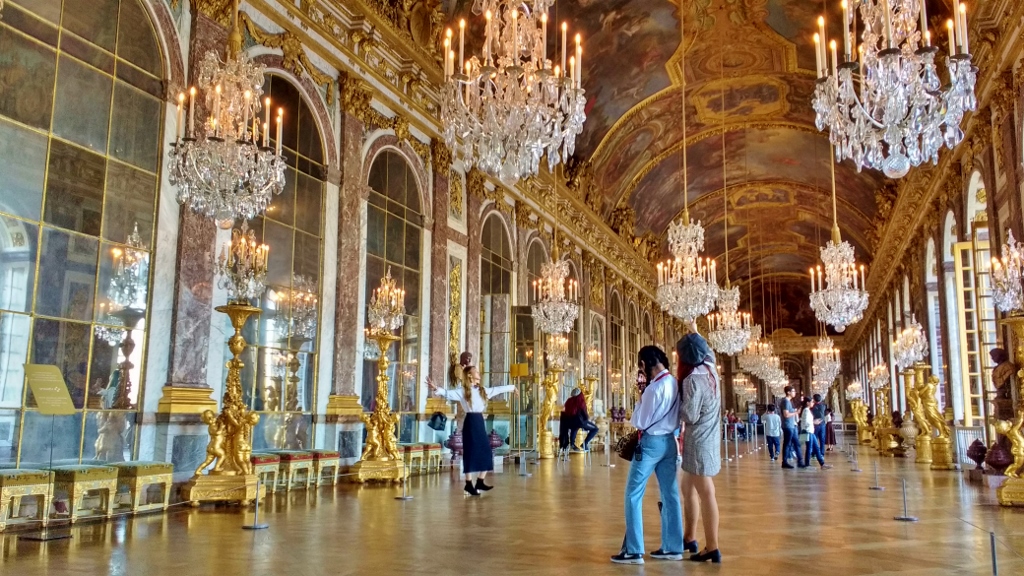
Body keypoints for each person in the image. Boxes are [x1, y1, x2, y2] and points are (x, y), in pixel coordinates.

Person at [610, 346, 683, 565]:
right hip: (670, 442)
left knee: (633, 493)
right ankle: (673, 547)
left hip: (651, 444)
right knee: (670, 494)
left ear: (643, 365)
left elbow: (639, 422)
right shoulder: (674, 382)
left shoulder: (653, 389)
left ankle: (634, 550)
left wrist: (641, 395)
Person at [429, 366, 516, 496]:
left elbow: (497, 390)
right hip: (470, 421)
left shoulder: (482, 390)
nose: (479, 372)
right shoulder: (464, 391)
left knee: (486, 450)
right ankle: (469, 484)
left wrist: (512, 388)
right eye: (476, 371)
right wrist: (437, 389)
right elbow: (449, 393)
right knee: (469, 451)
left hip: (479, 421)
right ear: (470, 375)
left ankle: (480, 481)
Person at [677, 330, 723, 563]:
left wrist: (675, 405)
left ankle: (712, 547)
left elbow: (690, 415)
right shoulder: (711, 370)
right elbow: (709, 351)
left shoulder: (692, 379)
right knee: (688, 488)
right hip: (711, 437)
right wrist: (693, 327)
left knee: (706, 493)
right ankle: (689, 537)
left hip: (698, 441)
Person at [799, 397, 831, 469]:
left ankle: (822, 464)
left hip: (810, 431)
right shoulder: (806, 411)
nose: (813, 403)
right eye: (812, 402)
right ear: (807, 403)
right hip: (807, 431)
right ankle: (807, 464)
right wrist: (814, 422)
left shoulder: (807, 410)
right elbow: (807, 422)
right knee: (809, 448)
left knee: (816, 448)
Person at [780, 386, 800, 469]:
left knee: (796, 443)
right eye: (793, 391)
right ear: (788, 392)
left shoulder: (789, 401)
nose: (794, 392)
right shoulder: (785, 401)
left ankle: (801, 460)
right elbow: (786, 414)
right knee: (787, 444)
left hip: (792, 425)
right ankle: (784, 462)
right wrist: (796, 412)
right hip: (788, 425)